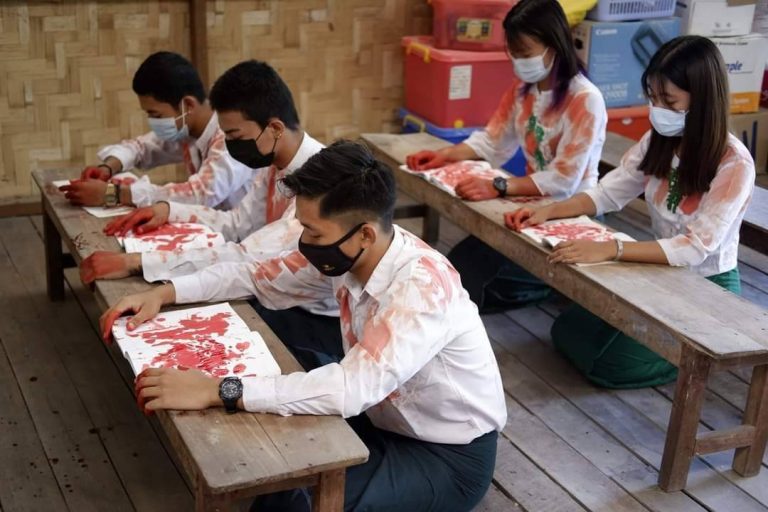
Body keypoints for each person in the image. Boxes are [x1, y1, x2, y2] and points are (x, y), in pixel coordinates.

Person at [101, 141, 508, 512]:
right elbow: (255, 275)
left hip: (445, 453)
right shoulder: (354, 249)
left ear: (364, 233)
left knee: (296, 504)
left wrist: (217, 389)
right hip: (379, 416)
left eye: (313, 231)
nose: (305, 242)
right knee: (278, 474)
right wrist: (166, 292)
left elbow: (351, 390)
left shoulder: (421, 289)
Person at [507, 36, 755, 388]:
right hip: (660, 273)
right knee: (567, 329)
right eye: (653, 97)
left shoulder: (733, 163)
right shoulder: (660, 140)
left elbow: (695, 248)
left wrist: (613, 249)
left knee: (608, 364)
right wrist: (551, 211)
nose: (658, 109)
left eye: (668, 100)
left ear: (702, 100)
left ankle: (699, 358)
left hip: (708, 285)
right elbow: (609, 192)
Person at [79, 60, 339, 370]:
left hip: (313, 322)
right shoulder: (276, 163)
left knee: (197, 356)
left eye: (233, 135)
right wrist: (169, 209)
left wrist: (137, 263)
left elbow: (246, 257)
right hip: (275, 296)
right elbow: (236, 225)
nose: (229, 145)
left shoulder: (321, 184)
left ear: (275, 128)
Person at [405, 0, 607, 313]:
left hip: (570, 212)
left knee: (474, 288)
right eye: (513, 52)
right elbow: (492, 140)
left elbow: (564, 180)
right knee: (456, 269)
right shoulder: (523, 89)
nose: (518, 60)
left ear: (554, 46)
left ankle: (550, 287)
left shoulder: (585, 99)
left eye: (525, 52)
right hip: (528, 206)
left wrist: (499, 186)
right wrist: (446, 154)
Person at [61, 51, 252, 209]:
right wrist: (108, 167)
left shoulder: (231, 138)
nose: (153, 122)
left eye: (156, 115)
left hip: (244, 242)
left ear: (187, 105)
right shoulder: (188, 128)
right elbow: (141, 147)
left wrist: (112, 194)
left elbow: (200, 194)